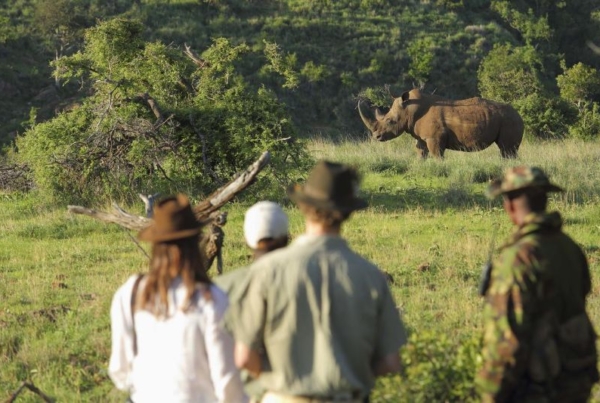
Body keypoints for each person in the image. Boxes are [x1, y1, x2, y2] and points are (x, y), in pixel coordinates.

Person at [231, 160, 407, 403]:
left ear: (303, 206)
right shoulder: (371, 276)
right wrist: (352, 374)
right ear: (347, 212)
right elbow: (390, 362)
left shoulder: (268, 271)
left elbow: (244, 358)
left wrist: (283, 379)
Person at [108, 194, 248, 403]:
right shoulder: (211, 299)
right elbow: (226, 380)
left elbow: (119, 370)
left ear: (155, 244)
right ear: (195, 243)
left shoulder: (131, 292)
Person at [476, 166, 599, 402]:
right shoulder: (569, 247)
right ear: (544, 199)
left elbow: (508, 339)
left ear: (510, 204)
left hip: (537, 387)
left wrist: (490, 393)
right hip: (575, 382)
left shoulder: (518, 258)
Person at [214, 201, 290, 402]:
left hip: (244, 392)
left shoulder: (222, 287)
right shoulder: (310, 281)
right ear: (287, 238)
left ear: (248, 241)